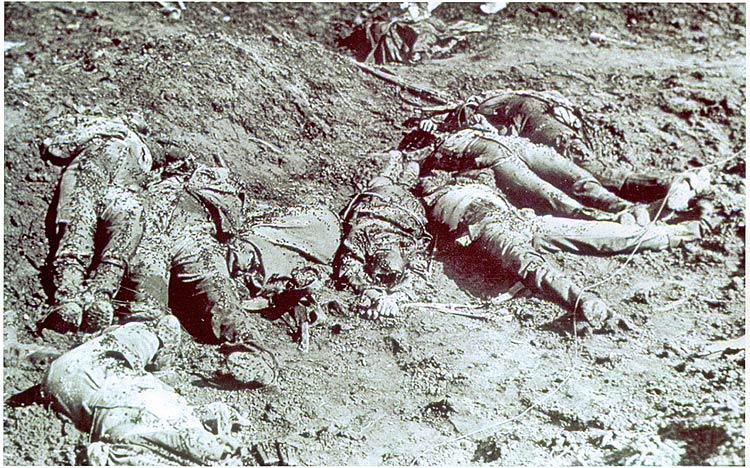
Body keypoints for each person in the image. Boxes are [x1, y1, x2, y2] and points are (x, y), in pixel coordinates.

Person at [417, 169, 703, 332]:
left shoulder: (473, 179)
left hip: (521, 219)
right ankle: (587, 305)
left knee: (601, 234)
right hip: (486, 227)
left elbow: (488, 175)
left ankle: (679, 233)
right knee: (533, 267)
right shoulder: (431, 196)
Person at [125, 157, 341, 343]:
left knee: (154, 297)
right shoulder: (211, 188)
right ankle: (251, 348)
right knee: (161, 299)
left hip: (175, 237)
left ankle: (250, 348)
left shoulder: (259, 225)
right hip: (181, 237)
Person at [418, 89, 711, 207]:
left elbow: (492, 131)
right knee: (584, 174)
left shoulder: (481, 109)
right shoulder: (490, 105)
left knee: (592, 170)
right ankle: (662, 192)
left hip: (538, 123)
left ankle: (672, 184)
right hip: (537, 125)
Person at [40, 316, 251, 465]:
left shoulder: (160, 456)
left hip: (77, 378)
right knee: (166, 326)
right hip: (112, 373)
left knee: (163, 327)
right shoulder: (194, 438)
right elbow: (213, 416)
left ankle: (102, 335)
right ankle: (139, 355)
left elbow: (97, 454)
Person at [38, 114, 154, 334]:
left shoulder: (141, 148)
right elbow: (57, 147)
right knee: (80, 230)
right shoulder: (106, 127)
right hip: (94, 176)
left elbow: (58, 147)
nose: (135, 118)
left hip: (118, 188)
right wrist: (99, 132)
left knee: (123, 230)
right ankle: (72, 298)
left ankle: (97, 297)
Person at [416, 119, 645, 223]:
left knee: (573, 174)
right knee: (546, 193)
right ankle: (609, 220)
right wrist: (426, 139)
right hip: (490, 157)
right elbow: (416, 170)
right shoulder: (427, 152)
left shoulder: (461, 121)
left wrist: (481, 124)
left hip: (517, 145)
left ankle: (623, 207)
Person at [333, 151, 430, 319]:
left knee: (406, 180)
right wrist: (377, 296)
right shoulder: (362, 234)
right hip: (380, 197)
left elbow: (419, 276)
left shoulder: (408, 246)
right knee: (385, 179)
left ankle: (408, 163)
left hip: (406, 206)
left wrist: (392, 299)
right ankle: (397, 161)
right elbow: (349, 267)